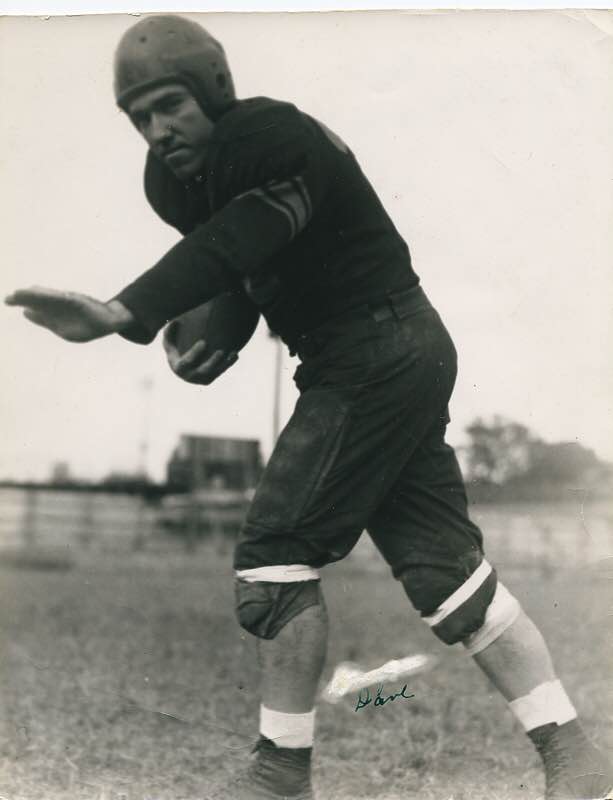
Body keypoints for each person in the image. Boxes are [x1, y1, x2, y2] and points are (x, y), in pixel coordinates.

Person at [5, 15, 611, 800]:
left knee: (273, 558)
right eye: (140, 117)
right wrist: (215, 336)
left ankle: (279, 773)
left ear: (212, 91)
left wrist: (129, 311)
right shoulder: (182, 183)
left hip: (373, 346)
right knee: (447, 579)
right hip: (379, 351)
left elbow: (250, 231)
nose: (157, 131)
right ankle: (575, 758)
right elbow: (243, 266)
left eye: (169, 107)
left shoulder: (269, 135)